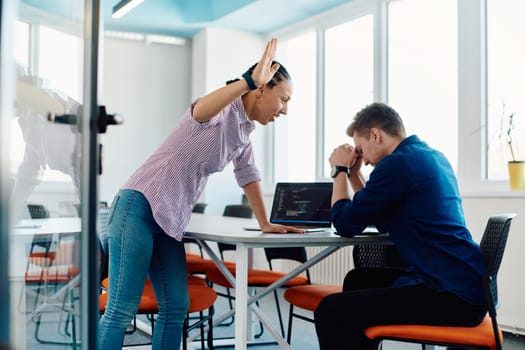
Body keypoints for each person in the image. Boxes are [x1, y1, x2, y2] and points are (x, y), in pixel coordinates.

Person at [98, 38, 303, 349]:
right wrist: (247, 81)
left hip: (169, 223)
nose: (285, 110)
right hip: (138, 207)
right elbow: (200, 108)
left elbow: (248, 176)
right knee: (121, 308)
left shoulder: (244, 132)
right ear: (262, 89)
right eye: (284, 99)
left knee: (175, 307)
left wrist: (265, 222)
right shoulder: (221, 111)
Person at [314, 102, 487, 349]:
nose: (363, 159)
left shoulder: (398, 164)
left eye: (361, 149)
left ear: (375, 134)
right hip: (466, 286)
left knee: (331, 310)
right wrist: (353, 175)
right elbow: (380, 217)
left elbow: (344, 223)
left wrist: (338, 170)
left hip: (451, 296)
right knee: (358, 279)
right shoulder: (428, 156)